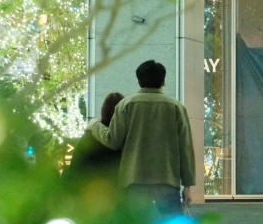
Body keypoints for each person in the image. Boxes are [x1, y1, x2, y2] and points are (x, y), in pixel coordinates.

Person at [91, 60, 196, 215]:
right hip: (166, 181)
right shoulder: (176, 107)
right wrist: (187, 185)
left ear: (139, 81)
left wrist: (95, 126)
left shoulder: (125, 106)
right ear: (163, 81)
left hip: (133, 181)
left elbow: (113, 141)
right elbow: (185, 148)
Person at [63, 92, 124, 182]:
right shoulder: (127, 137)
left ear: (103, 111)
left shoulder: (90, 135)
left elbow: (75, 167)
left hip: (88, 188)